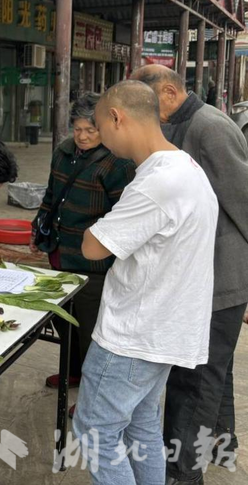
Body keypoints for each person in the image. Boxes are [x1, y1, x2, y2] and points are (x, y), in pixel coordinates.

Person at [74, 81, 217, 485]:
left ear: (116, 117)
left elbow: (92, 247)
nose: (99, 137)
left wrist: (98, 225)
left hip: (133, 335)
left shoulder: (158, 183)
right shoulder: (184, 167)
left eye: (100, 127)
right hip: (163, 329)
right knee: (141, 427)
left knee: (95, 432)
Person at [132, 64, 248, 484]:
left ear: (169, 92)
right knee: (214, 370)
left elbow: (244, 202)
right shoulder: (180, 124)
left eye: (148, 104)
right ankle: (220, 443)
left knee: (194, 380)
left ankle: (183, 472)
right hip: (202, 273)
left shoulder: (210, 128)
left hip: (220, 277)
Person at [29, 93, 135, 393]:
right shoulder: (63, 151)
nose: (83, 136)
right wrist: (38, 228)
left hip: (93, 261)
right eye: (77, 129)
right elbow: (51, 195)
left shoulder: (118, 162)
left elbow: (122, 214)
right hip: (59, 251)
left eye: (90, 130)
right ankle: (73, 371)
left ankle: (93, 392)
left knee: (91, 328)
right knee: (64, 318)